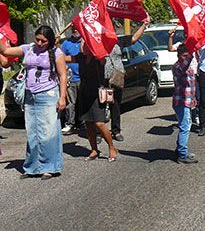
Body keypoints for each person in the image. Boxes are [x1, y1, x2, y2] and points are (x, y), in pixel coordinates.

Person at [0, 26, 68, 180]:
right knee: (32, 132)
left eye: (43, 41)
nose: (39, 42)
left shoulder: (56, 53)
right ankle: (32, 167)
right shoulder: (28, 49)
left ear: (50, 41)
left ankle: (50, 167)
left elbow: (62, 75)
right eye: (37, 39)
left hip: (48, 95)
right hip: (31, 96)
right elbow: (5, 51)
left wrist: (62, 97)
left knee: (48, 133)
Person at [65, 40, 118, 162]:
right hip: (84, 93)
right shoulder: (81, 57)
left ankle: (111, 147)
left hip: (96, 94)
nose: (83, 46)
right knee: (88, 123)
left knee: (99, 123)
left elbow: (103, 60)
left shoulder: (99, 58)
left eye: (86, 44)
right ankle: (94, 149)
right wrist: (56, 45)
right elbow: (64, 58)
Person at [105, 20, 149, 141]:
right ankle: (100, 132)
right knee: (102, 104)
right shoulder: (98, 43)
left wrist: (144, 25)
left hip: (117, 78)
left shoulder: (119, 41)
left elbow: (134, 38)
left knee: (115, 105)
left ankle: (116, 130)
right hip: (103, 78)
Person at [171, 44, 198, 163]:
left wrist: (193, 97)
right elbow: (184, 66)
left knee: (185, 125)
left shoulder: (187, 66)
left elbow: (192, 83)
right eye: (184, 56)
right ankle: (182, 154)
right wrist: (191, 53)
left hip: (187, 99)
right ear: (178, 55)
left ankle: (181, 150)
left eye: (187, 56)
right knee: (185, 127)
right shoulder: (178, 67)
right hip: (181, 101)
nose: (185, 58)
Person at [60, 27, 82, 135]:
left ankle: (83, 123)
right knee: (71, 103)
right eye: (73, 29)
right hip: (71, 78)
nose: (75, 31)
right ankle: (70, 124)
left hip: (84, 77)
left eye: (77, 29)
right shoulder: (66, 43)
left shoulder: (85, 42)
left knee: (83, 102)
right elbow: (60, 56)